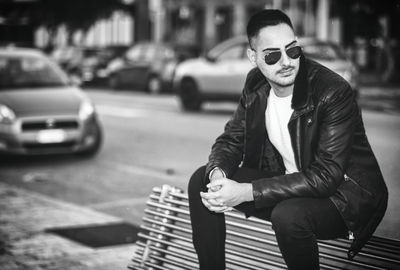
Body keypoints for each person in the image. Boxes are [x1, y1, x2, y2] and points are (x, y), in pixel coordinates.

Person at [188, 9, 388, 270]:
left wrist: (246, 192)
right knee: (201, 180)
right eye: (272, 55)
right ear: (253, 57)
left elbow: (326, 176)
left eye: (292, 50)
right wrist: (218, 177)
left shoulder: (333, 92)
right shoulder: (255, 84)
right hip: (290, 186)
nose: (286, 61)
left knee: (288, 216)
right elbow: (232, 140)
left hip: (343, 198)